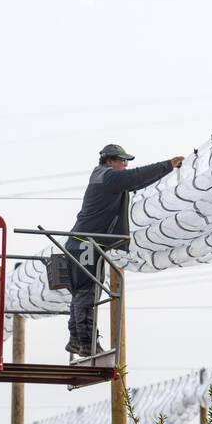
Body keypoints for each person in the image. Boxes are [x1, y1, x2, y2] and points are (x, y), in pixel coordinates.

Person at [65, 143, 184, 356]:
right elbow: (136, 177)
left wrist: (168, 170)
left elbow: (137, 182)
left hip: (81, 242)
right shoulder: (109, 176)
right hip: (86, 243)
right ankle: (86, 344)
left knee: (82, 293)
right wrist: (168, 164)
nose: (126, 165)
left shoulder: (104, 177)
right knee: (87, 294)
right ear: (110, 160)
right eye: (123, 161)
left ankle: (77, 340)